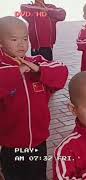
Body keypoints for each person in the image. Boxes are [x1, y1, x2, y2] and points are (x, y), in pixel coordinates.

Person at [0, 16, 68, 180]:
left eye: (25, 38)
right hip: (11, 146)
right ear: (1, 43)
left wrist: (38, 70)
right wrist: (19, 71)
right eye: (14, 39)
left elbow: (61, 71)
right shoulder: (3, 68)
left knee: (38, 176)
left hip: (38, 143)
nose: (22, 44)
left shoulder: (36, 62)